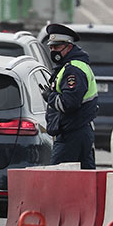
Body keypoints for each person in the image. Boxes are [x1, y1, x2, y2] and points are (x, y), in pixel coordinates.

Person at [40, 23, 99, 169]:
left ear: (69, 46)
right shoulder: (69, 66)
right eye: (51, 47)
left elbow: (69, 103)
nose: (53, 51)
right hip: (78, 130)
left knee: (58, 177)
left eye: (58, 47)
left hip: (72, 133)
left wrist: (50, 97)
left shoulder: (73, 70)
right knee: (84, 178)